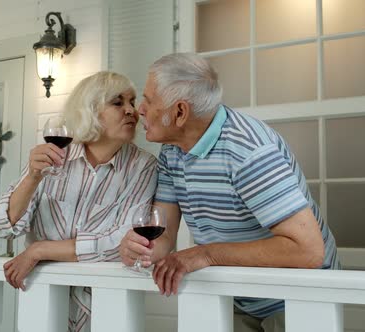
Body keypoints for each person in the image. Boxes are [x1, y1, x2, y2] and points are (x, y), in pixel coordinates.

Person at [119, 53, 340, 332]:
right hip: (236, 294)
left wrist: (206, 255)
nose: (140, 109)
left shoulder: (247, 151)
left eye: (148, 100)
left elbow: (307, 250)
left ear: (179, 112)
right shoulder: (171, 151)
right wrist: (142, 249)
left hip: (297, 298)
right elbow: (162, 236)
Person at [0, 71, 158, 332]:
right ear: (89, 110)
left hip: (105, 302)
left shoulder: (143, 167)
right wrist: (33, 177)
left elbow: (121, 243)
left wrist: (39, 250)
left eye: (132, 102)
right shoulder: (53, 156)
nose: (131, 111)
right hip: (42, 293)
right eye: (118, 102)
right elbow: (3, 227)